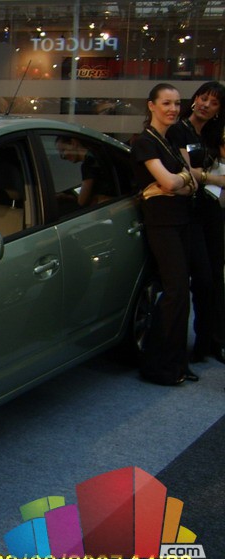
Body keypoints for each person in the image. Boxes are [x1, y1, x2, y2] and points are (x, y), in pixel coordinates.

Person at [131, 83, 198, 386]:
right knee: (175, 293)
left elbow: (188, 184)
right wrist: (180, 181)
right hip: (162, 224)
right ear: (151, 106)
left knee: (180, 293)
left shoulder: (170, 140)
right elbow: (172, 183)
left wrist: (178, 181)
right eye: (166, 103)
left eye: (177, 103)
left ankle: (176, 364)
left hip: (180, 220)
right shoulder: (145, 142)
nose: (173, 109)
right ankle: (158, 366)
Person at [167, 81, 225, 365]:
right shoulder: (179, 130)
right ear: (195, 99)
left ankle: (212, 341)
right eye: (203, 98)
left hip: (212, 211)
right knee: (201, 279)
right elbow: (188, 172)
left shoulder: (213, 135)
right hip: (188, 212)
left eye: (213, 103)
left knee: (215, 279)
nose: (206, 105)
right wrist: (214, 178)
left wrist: (206, 177)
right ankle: (198, 345)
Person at [54, 135, 116, 206]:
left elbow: (82, 202)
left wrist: (66, 198)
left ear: (73, 143)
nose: (62, 156)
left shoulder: (88, 165)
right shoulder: (98, 154)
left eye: (63, 150)